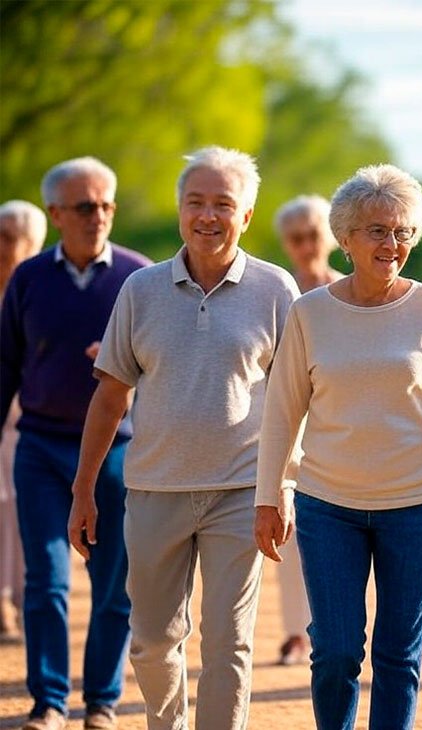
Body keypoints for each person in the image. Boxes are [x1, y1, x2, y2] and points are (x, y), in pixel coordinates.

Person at [67, 146, 299, 730]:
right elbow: (111, 395)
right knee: (150, 640)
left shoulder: (276, 290)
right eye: (195, 202)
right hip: (152, 490)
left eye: (223, 203)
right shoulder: (140, 290)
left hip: (241, 493)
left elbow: (297, 401)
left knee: (229, 643)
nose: (208, 216)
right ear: (179, 210)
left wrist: (283, 487)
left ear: (246, 216)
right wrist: (84, 489)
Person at [254, 163, 422, 729]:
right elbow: (282, 411)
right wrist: (268, 495)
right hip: (328, 504)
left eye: (402, 231)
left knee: (398, 657)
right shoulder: (310, 312)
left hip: (420, 505)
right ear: (347, 237)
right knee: (334, 652)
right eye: (378, 230)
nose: (392, 243)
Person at [0, 158, 151, 730]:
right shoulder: (29, 279)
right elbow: (6, 364)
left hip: (119, 449)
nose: (99, 216)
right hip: (39, 446)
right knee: (46, 579)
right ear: (56, 214)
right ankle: (49, 702)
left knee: (114, 581)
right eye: (86, 207)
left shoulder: (138, 278)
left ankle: (103, 702)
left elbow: (165, 369)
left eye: (107, 205)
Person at [269, 194, 343, 666]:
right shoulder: (276, 294)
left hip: (341, 429)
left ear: (331, 237)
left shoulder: (348, 291)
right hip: (288, 430)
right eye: (295, 238)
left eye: (313, 235)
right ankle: (297, 633)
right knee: (291, 534)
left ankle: (349, 631)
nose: (305, 246)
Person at [0, 200, 47, 644]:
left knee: (21, 516)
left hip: (30, 424)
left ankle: (15, 601)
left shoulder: (39, 288)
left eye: (14, 239)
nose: (7, 248)